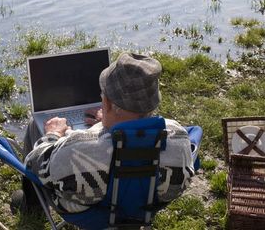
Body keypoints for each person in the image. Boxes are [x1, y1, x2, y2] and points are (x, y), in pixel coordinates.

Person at [12, 52, 195, 215]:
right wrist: (107, 123)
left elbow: (33, 163)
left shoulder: (76, 151)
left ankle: (32, 206)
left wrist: (53, 135)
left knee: (34, 126)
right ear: (153, 103)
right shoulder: (179, 138)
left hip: (92, 212)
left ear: (106, 103)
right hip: (147, 205)